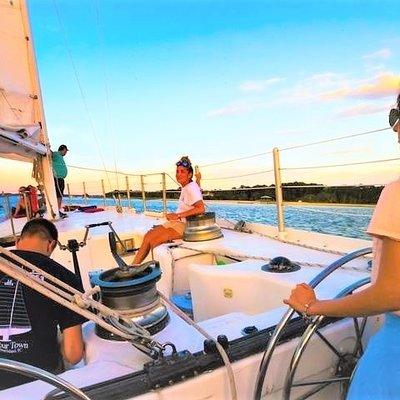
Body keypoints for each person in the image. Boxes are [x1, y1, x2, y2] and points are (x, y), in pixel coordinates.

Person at [284, 94, 400, 399]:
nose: (394, 128)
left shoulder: (396, 193)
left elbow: (391, 292)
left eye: (396, 115)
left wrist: (313, 306)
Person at [0, 219, 86, 389]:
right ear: (51, 245)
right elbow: (73, 354)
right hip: (41, 380)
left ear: (18, 242)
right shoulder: (65, 278)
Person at [132, 156, 205, 265]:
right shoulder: (190, 185)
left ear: (189, 174)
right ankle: (133, 267)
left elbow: (201, 208)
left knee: (154, 241)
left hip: (186, 225)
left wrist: (178, 215)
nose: (178, 174)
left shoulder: (190, 188)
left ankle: (150, 270)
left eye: (182, 171)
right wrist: (198, 179)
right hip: (178, 222)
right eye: (177, 171)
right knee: (148, 236)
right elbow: (197, 189)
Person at [52, 144, 69, 219]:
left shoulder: (60, 156)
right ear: (63, 149)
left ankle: (57, 210)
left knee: (60, 195)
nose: (66, 153)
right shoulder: (56, 154)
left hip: (60, 179)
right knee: (58, 195)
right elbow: (50, 153)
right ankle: (57, 211)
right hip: (57, 178)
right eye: (66, 151)